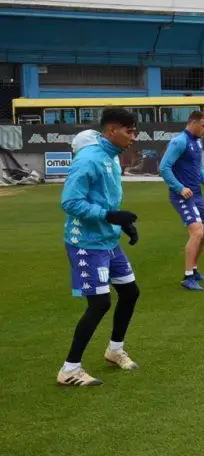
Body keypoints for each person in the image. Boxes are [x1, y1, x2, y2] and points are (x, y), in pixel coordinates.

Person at [58, 108, 141, 386]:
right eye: (129, 130)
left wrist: (121, 224)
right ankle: (69, 369)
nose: (134, 136)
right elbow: (70, 203)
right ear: (111, 131)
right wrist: (109, 216)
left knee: (129, 292)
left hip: (108, 240)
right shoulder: (89, 159)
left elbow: (108, 200)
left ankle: (114, 350)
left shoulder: (111, 157)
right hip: (86, 243)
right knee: (100, 303)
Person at [159, 111, 204, 291]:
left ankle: (195, 270)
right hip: (182, 195)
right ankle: (187, 277)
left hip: (197, 194)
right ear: (193, 123)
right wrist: (179, 188)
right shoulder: (179, 141)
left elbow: (197, 166)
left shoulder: (197, 142)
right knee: (197, 233)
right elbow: (164, 168)